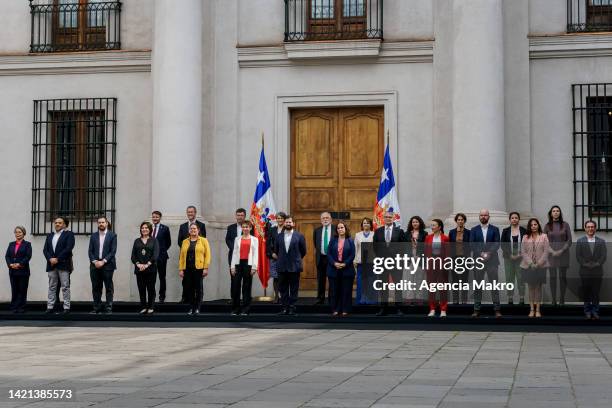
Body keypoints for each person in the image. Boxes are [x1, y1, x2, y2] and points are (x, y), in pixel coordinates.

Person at [470, 209, 502, 318]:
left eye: (485, 215)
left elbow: (497, 243)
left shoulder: (495, 229)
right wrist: (481, 254)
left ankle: (497, 309)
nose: (483, 217)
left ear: (489, 216)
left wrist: (488, 253)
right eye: (481, 215)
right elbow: (472, 244)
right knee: (478, 285)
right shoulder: (474, 230)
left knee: (494, 285)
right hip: (478, 261)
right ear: (479, 217)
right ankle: (476, 309)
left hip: (492, 261)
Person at [373, 210, 406, 316]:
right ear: (383, 218)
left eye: (390, 217)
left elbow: (404, 247)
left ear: (393, 219)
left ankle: (399, 308)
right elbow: (375, 247)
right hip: (382, 263)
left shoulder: (399, 231)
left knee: (397, 286)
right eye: (386, 217)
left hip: (396, 263)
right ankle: (383, 308)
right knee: (383, 286)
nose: (388, 218)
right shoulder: (378, 231)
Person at [273, 215, 307, 316]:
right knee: (282, 288)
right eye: (286, 222)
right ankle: (284, 308)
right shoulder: (278, 236)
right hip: (282, 266)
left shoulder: (299, 236)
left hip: (294, 267)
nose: (288, 224)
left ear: (293, 224)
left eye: (290, 222)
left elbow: (303, 251)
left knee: (293, 288)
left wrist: (295, 259)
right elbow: (276, 250)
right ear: (284, 224)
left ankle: (292, 308)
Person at [576, 220, 607, 320]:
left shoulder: (601, 241)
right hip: (584, 271)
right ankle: (587, 311)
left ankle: (595, 311)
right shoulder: (580, 241)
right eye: (588, 227)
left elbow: (603, 256)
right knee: (586, 292)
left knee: (596, 292)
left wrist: (596, 264)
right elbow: (578, 256)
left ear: (595, 228)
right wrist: (586, 264)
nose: (590, 229)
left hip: (597, 271)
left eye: (592, 227)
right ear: (585, 228)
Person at [43, 217, 75, 314]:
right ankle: (50, 306)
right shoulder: (50, 235)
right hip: (51, 265)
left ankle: (66, 307)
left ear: (64, 225)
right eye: (56, 222)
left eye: (60, 223)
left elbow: (68, 248)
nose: (57, 224)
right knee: (52, 286)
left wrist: (57, 259)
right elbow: (45, 250)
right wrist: (50, 259)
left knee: (65, 286)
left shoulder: (69, 234)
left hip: (63, 264)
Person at [520, 218, 550, 318]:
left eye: (535, 224)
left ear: (538, 225)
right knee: (530, 287)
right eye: (532, 225)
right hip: (528, 266)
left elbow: (546, 252)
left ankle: (538, 310)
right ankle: (531, 309)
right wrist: (531, 263)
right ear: (529, 226)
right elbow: (523, 252)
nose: (533, 226)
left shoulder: (544, 236)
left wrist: (538, 264)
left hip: (540, 266)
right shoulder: (525, 237)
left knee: (538, 287)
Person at [88, 216, 118, 314]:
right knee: (96, 287)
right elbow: (90, 251)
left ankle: (108, 307)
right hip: (94, 265)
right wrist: (95, 261)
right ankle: (97, 307)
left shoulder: (112, 235)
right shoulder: (93, 236)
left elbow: (113, 251)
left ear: (107, 223)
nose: (101, 224)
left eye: (103, 222)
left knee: (108, 287)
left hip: (108, 265)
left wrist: (103, 261)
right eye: (99, 222)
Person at [179, 224, 211, 315]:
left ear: (198, 230)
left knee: (198, 288)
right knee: (189, 289)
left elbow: (207, 255)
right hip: (187, 269)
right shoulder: (185, 241)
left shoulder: (204, 240)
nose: (193, 230)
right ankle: (191, 307)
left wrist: (206, 267)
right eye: (191, 228)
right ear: (189, 230)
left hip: (199, 268)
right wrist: (181, 269)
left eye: (194, 228)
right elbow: (181, 256)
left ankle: (197, 308)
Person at [543, 205, 572, 306]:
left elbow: (569, 240)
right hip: (551, 255)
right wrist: (551, 251)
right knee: (553, 277)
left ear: (560, 213)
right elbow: (544, 241)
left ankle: (562, 299)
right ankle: (554, 300)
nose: (556, 212)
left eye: (557, 211)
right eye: (554, 211)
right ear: (551, 214)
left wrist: (561, 250)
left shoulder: (565, 225)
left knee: (562, 277)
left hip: (563, 254)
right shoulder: (547, 226)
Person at [177, 205, 206, 303]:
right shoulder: (182, 226)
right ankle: (185, 297)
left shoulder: (201, 225)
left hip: (198, 259)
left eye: (192, 212)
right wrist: (187, 248)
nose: (190, 214)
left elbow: (204, 241)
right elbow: (179, 241)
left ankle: (199, 300)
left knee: (198, 282)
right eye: (188, 212)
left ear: (195, 213)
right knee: (185, 281)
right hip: (186, 258)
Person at [327, 221, 356, 316]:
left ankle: (345, 309)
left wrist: (345, 264)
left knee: (346, 290)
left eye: (342, 227)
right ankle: (335, 309)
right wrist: (334, 263)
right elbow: (329, 254)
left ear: (345, 228)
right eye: (338, 228)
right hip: (333, 269)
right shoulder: (333, 240)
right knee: (334, 291)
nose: (340, 229)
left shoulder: (350, 240)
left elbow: (352, 254)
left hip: (347, 269)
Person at [230, 220, 258, 315]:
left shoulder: (254, 239)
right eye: (244, 227)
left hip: (248, 264)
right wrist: (232, 267)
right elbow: (234, 253)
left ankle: (245, 309)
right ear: (241, 228)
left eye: (247, 227)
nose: (245, 228)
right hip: (238, 264)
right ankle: (235, 309)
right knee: (236, 287)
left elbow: (255, 254)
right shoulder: (237, 239)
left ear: (250, 228)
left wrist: (254, 267)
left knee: (246, 287)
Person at [131, 221, 160, 314]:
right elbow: (133, 256)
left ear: (150, 229)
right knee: (141, 288)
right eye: (143, 228)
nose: (144, 229)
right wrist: (138, 264)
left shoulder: (154, 240)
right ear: (140, 229)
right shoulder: (137, 241)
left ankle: (151, 306)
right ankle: (143, 307)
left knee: (151, 288)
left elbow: (155, 255)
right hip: (139, 269)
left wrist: (147, 264)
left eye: (146, 228)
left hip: (151, 269)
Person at [424, 219, 450, 317]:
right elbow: (426, 252)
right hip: (431, 265)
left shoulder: (445, 238)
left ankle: (443, 309)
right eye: (431, 225)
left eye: (434, 225)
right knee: (431, 288)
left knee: (443, 288)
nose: (432, 227)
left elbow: (447, 253)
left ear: (439, 227)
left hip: (442, 265)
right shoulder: (428, 238)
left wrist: (446, 265)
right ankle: (432, 309)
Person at [225, 208, 251, 305]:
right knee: (234, 279)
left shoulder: (249, 227)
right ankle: (234, 298)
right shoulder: (230, 227)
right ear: (236, 216)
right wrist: (235, 248)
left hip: (246, 258)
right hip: (234, 257)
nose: (240, 217)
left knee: (247, 280)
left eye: (241, 215)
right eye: (238, 215)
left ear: (244, 216)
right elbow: (227, 240)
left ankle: (245, 298)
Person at [501, 212, 527, 305]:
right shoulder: (505, 231)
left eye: (516, 218)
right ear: (510, 219)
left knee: (521, 277)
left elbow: (527, 244)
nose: (514, 219)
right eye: (512, 218)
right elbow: (503, 245)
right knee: (509, 277)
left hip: (521, 256)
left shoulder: (524, 230)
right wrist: (510, 255)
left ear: (519, 219)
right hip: (509, 257)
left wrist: (521, 254)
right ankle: (510, 298)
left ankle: (522, 298)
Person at [5, 226, 32, 313]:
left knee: (22, 289)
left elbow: (28, 256)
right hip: (13, 270)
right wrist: (10, 264)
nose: (18, 234)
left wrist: (19, 264)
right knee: (14, 289)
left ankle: (21, 307)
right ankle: (14, 307)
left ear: (23, 233)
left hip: (23, 271)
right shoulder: (11, 244)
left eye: (20, 232)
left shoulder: (27, 244)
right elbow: (7, 256)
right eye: (16, 232)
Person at [448, 213, 471, 305]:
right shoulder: (452, 232)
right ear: (456, 221)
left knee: (465, 280)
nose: (460, 221)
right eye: (458, 220)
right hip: (454, 259)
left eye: (462, 220)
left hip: (465, 258)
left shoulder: (469, 232)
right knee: (455, 280)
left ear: (464, 221)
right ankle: (455, 299)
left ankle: (464, 299)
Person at [313, 212, 333, 305]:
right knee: (321, 279)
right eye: (323, 218)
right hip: (321, 258)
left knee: (332, 279)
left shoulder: (335, 229)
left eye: (327, 218)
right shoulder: (317, 230)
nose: (325, 219)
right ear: (321, 220)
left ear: (331, 219)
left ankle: (331, 298)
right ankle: (320, 298)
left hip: (332, 258)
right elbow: (315, 244)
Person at [354, 217, 375, 305]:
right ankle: (361, 300)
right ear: (362, 225)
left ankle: (371, 300)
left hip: (371, 263)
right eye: (364, 223)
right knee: (360, 282)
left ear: (371, 225)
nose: (366, 224)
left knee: (371, 282)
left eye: (367, 223)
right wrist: (354, 260)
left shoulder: (375, 234)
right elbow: (355, 248)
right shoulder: (357, 235)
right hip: (360, 263)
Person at [151, 210, 171, 303]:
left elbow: (168, 243)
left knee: (162, 277)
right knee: (151, 277)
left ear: (160, 218)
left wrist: (160, 251)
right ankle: (152, 296)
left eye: (157, 217)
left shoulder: (165, 228)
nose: (155, 218)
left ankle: (161, 296)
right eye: (153, 217)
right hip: (150, 258)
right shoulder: (148, 228)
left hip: (162, 257)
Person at [266, 212, 286, 303]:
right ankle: (276, 297)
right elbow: (268, 243)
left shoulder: (287, 229)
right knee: (276, 278)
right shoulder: (272, 229)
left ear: (284, 219)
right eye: (278, 218)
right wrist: (271, 253)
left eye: (281, 218)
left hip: (284, 257)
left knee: (284, 278)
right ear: (276, 219)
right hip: (274, 257)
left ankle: (284, 296)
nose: (280, 220)